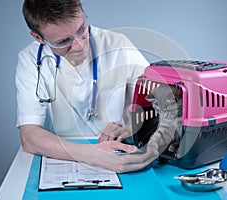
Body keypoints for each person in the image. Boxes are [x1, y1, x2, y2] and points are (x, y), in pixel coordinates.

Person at [16, 0, 158, 173]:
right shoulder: (30, 59)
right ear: (38, 38)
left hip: (120, 151)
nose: (78, 45)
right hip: (63, 156)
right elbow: (30, 137)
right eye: (63, 41)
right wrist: (93, 154)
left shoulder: (117, 44)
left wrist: (135, 124)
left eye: (81, 30)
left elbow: (160, 100)